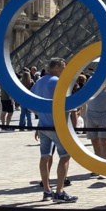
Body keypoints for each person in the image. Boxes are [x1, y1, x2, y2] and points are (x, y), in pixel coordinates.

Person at [31, 58, 78, 203]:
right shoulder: (57, 82)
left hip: (43, 125)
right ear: (56, 68)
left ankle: (46, 190)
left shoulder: (39, 81)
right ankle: (59, 191)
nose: (65, 69)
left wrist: (41, 116)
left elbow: (30, 103)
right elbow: (67, 104)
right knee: (65, 156)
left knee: (44, 156)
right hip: (57, 125)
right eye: (63, 67)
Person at [85, 77, 106, 168]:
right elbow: (85, 92)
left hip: (104, 115)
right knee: (94, 141)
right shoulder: (92, 79)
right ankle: (97, 166)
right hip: (91, 113)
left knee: (103, 141)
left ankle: (104, 166)